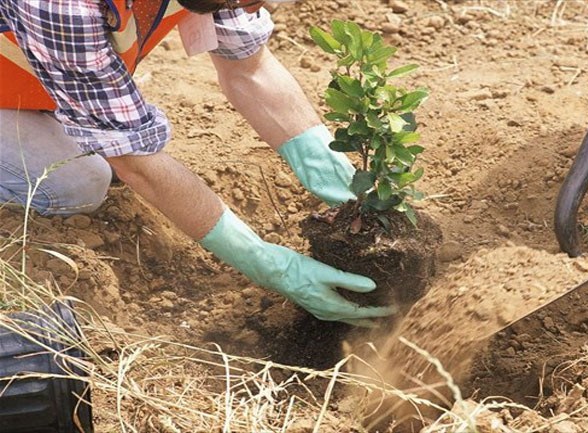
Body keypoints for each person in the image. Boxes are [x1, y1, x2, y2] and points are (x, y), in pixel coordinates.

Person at [0, 0, 395, 327]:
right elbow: (136, 162)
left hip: (32, 82)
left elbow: (249, 69)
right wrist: (267, 264)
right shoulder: (60, 5)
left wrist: (338, 180)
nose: (259, 4)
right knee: (75, 182)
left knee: (101, 139)